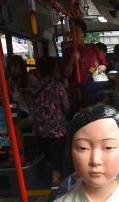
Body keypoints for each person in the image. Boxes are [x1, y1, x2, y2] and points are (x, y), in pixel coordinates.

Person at [33, 57, 70, 189]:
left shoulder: (35, 86)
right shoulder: (58, 86)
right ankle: (55, 180)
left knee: (48, 152)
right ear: (54, 70)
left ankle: (48, 172)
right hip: (57, 127)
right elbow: (66, 106)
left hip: (40, 127)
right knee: (57, 152)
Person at [63, 18, 107, 88]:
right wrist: (72, 60)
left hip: (93, 85)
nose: (74, 34)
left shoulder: (93, 48)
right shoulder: (68, 51)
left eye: (77, 31)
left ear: (83, 33)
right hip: (76, 88)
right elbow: (66, 75)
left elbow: (104, 64)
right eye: (72, 31)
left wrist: (101, 67)